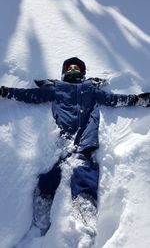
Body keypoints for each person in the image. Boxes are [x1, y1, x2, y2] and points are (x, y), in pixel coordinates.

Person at [0, 57, 150, 235]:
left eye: (77, 68)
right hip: (61, 135)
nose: (73, 69)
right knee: (52, 167)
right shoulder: (56, 87)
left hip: (86, 136)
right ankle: (44, 200)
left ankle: (85, 204)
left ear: (82, 73)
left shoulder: (90, 89)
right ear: (64, 73)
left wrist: (138, 100)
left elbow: (113, 99)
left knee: (85, 169)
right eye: (70, 67)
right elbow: (31, 95)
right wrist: (5, 91)